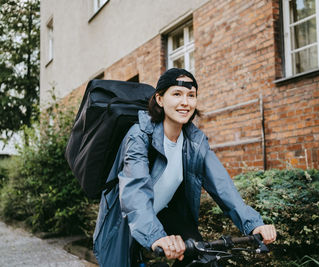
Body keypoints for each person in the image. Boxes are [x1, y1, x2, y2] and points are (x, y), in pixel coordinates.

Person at [93, 68, 276, 267]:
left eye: (191, 95)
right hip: (126, 221)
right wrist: (155, 236)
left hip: (164, 214)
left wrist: (254, 224)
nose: (185, 102)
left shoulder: (194, 140)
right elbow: (135, 192)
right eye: (177, 94)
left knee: (201, 256)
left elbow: (222, 186)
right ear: (160, 99)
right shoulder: (139, 134)